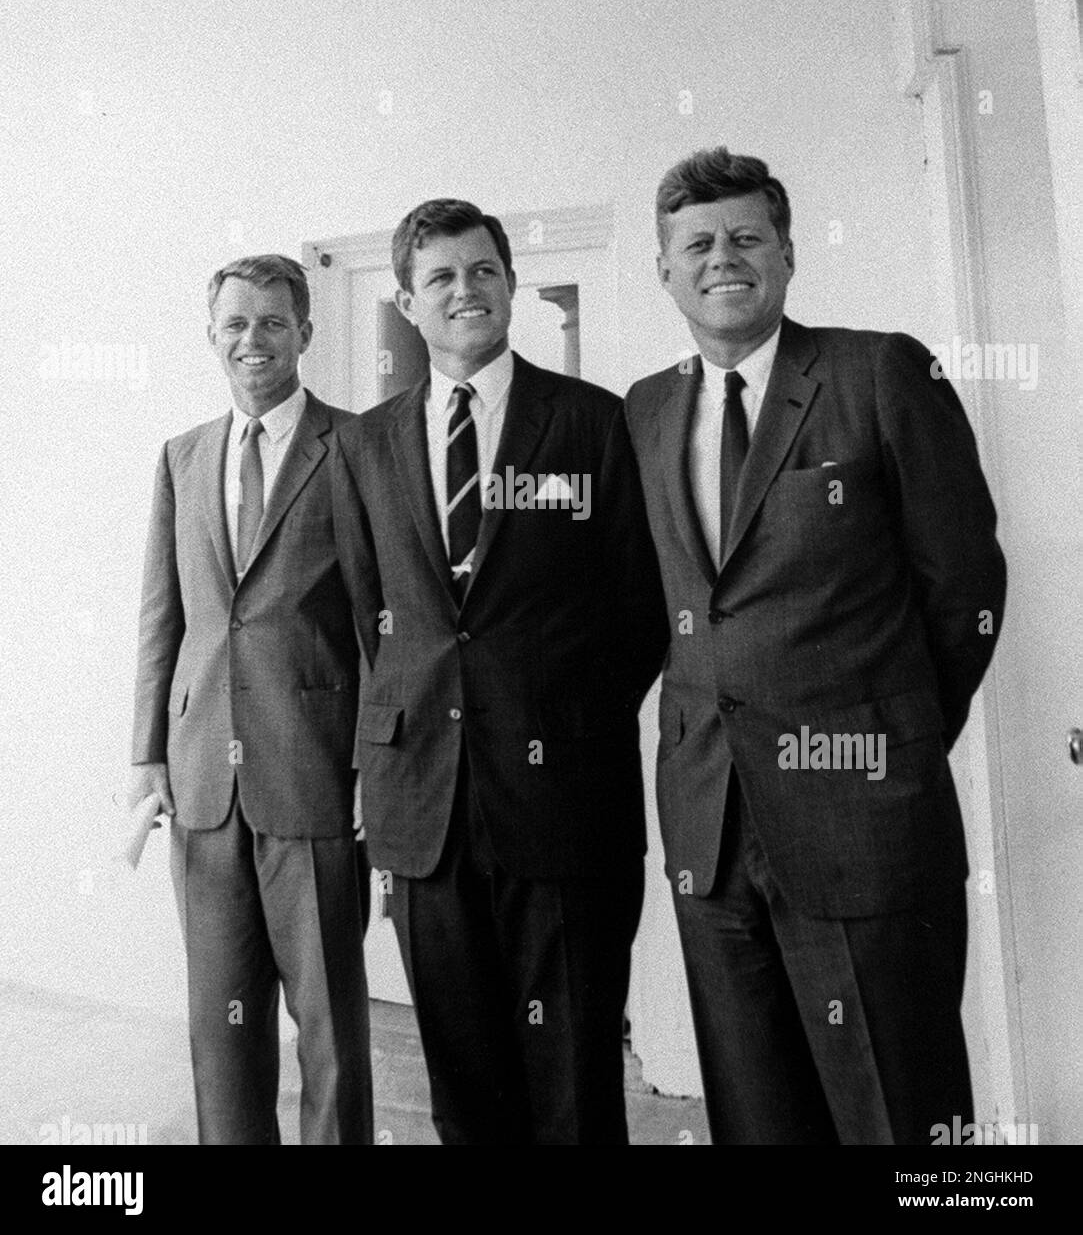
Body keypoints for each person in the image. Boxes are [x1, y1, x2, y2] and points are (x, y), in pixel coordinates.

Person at [624, 147, 1007, 1145]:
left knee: (902, 1116)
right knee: (757, 1118)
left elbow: (962, 587)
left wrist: (892, 738)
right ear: (662, 271)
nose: (722, 258)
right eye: (695, 243)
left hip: (864, 823)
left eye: (746, 236)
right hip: (707, 827)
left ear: (786, 254)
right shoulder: (644, 409)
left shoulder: (875, 370)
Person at [331, 199, 667, 1144]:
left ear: (511, 283)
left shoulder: (594, 424)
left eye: (481, 270)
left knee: (572, 1075)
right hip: (423, 811)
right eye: (438, 276)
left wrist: (560, 722)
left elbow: (637, 611)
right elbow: (374, 617)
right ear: (406, 299)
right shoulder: (361, 445)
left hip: (565, 802)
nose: (464, 290)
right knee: (463, 1077)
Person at [129, 254, 373, 1144]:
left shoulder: (354, 446)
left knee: (330, 1030)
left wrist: (370, 769)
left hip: (312, 772)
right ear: (211, 337)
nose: (252, 340)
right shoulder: (182, 456)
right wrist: (145, 756)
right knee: (219, 1027)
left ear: (306, 333)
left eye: (273, 322)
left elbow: (379, 621)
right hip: (200, 784)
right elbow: (165, 617)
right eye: (234, 324)